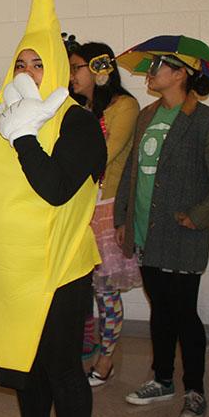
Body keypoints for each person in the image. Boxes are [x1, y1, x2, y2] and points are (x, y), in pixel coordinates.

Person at [0, 0, 106, 417]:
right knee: (22, 364)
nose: (27, 72)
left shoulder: (77, 123)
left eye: (38, 63)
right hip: (10, 268)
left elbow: (54, 189)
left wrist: (26, 136)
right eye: (20, 63)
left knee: (62, 370)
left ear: (58, 70)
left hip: (58, 269)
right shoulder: (1, 117)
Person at [115, 46, 209, 417]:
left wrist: (199, 216)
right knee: (160, 310)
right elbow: (130, 171)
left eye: (158, 67)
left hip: (183, 234)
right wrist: (123, 216)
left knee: (184, 313)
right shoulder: (146, 115)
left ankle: (196, 389)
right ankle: (163, 379)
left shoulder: (208, 120)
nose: (150, 72)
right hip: (145, 230)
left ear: (182, 74)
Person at [68, 42, 141, 386]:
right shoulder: (76, 108)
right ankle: (84, 349)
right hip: (79, 208)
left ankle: (106, 359)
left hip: (107, 207)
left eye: (77, 67)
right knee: (81, 289)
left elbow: (102, 155)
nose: (72, 75)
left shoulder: (124, 106)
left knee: (106, 291)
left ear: (98, 70)